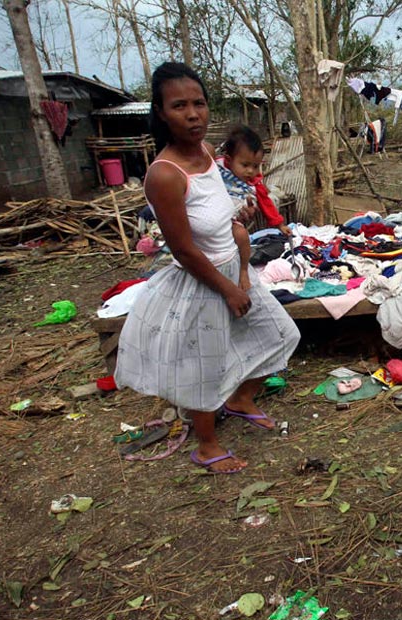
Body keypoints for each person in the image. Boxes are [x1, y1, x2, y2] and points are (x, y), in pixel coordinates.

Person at [114, 62, 301, 474]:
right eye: (179, 106)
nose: (193, 114)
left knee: (283, 335)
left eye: (199, 103)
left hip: (234, 267)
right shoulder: (165, 175)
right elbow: (183, 249)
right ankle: (207, 446)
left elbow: (215, 214)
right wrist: (227, 289)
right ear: (161, 112)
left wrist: (239, 223)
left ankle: (240, 400)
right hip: (203, 281)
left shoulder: (205, 152)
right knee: (203, 367)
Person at [215, 125, 291, 292]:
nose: (250, 171)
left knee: (242, 237)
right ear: (228, 159)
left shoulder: (253, 183)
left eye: (255, 166)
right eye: (245, 165)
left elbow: (266, 203)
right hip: (214, 216)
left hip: (234, 219)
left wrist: (280, 225)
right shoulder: (215, 170)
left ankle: (243, 271)